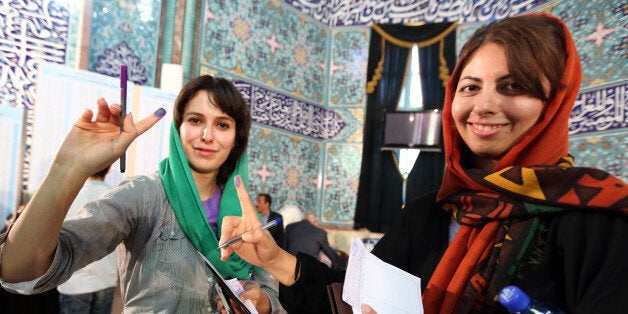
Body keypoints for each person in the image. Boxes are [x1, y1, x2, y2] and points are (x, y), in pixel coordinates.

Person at [217, 14, 628, 313]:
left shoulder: (596, 219)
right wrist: (273, 259)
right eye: (470, 87)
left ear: (553, 102)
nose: (484, 106)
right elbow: (354, 298)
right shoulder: (429, 212)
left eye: (513, 86)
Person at [0, 75, 281, 313]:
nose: (207, 135)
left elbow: (269, 286)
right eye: (195, 120)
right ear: (178, 128)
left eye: (222, 125)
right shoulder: (143, 195)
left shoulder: (245, 212)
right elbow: (21, 271)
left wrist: (262, 300)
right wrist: (67, 169)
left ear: (236, 139)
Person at [57, 166, 118, 314]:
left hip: (75, 282)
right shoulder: (117, 197)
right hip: (106, 278)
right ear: (108, 169)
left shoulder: (70, 196)